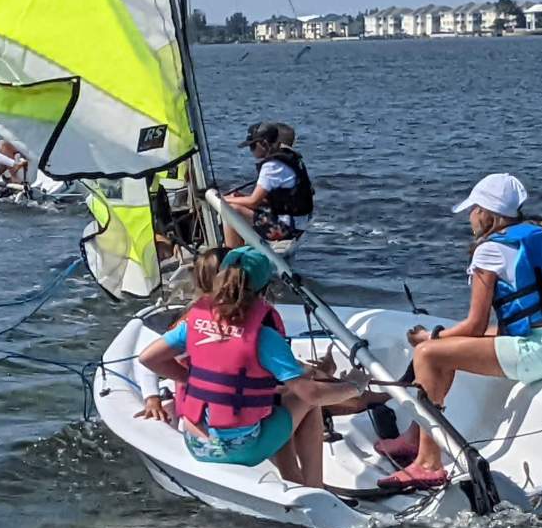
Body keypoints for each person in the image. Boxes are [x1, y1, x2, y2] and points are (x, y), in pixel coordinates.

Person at [377, 173, 542, 490]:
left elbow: (474, 325)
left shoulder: (490, 250)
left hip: (537, 352)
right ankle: (413, 438)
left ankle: (428, 464)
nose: (471, 217)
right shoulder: (541, 235)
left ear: (487, 213)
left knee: (428, 355)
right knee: (443, 349)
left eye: (474, 209)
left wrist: (429, 338)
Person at [137, 247, 369, 487]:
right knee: (306, 402)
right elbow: (311, 393)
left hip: (196, 443)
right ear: (265, 289)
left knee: (277, 402)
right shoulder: (263, 337)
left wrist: (191, 379)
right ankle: (315, 488)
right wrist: (354, 385)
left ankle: (293, 480)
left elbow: (148, 359)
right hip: (240, 450)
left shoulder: (193, 323)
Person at [137, 246, 230, 421]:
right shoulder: (192, 323)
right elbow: (147, 359)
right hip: (200, 411)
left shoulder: (245, 319)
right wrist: (152, 398)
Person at [221, 122, 314, 248]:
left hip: (287, 228)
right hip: (298, 223)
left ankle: (232, 258)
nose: (251, 150)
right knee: (236, 203)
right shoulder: (288, 158)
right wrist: (240, 197)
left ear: (263, 143)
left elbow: (253, 201)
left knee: (231, 209)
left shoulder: (272, 166)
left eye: (253, 146)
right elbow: (276, 199)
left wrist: (221, 199)